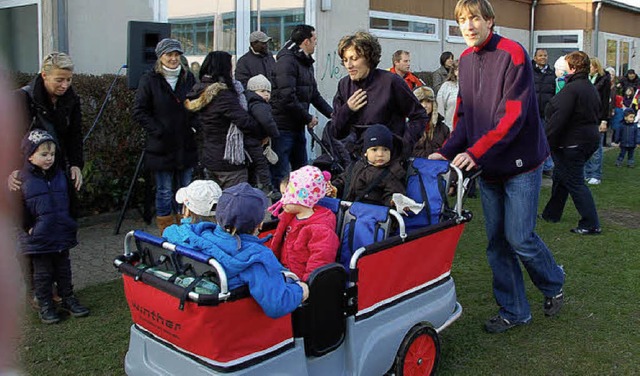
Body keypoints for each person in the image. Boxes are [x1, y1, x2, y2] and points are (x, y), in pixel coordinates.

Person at [429, 0, 565, 334]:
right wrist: (446, 152)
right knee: (497, 243)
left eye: (475, 18)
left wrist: (475, 153)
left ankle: (554, 281)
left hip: (521, 164)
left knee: (519, 237)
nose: (469, 25)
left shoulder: (513, 53)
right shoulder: (464, 59)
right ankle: (515, 310)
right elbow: (464, 116)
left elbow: (513, 116)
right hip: (488, 166)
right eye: (462, 20)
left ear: (490, 20)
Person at [163, 182, 309, 318]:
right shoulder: (256, 258)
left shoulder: (197, 235)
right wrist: (301, 290)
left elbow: (171, 232)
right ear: (259, 225)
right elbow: (277, 304)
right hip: (240, 319)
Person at [18, 130, 90, 324]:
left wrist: (71, 220)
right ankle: (46, 305)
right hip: (39, 238)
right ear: (30, 155)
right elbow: (19, 207)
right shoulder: (23, 180)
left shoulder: (61, 176)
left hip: (61, 233)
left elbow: (72, 201)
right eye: (44, 154)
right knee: (43, 274)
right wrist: (28, 227)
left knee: (64, 270)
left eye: (52, 154)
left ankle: (68, 298)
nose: (49, 158)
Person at [133, 38, 198, 233]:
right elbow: (139, 111)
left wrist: (194, 126)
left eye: (177, 54)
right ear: (160, 57)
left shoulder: (189, 78)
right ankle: (167, 230)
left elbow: (196, 106)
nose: (173, 58)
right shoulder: (149, 79)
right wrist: (158, 130)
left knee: (185, 190)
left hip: (185, 143)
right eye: (169, 54)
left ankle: (185, 228)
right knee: (164, 190)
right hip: (161, 146)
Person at [331, 31, 428, 159]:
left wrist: (402, 146)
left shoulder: (391, 82)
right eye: (345, 60)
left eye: (354, 59)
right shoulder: (344, 85)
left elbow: (419, 116)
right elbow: (336, 131)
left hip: (389, 162)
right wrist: (347, 109)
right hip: (357, 162)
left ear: (369, 58)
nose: (349, 65)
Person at [541, 51, 602, 235]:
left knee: (575, 182)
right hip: (587, 139)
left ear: (573, 68)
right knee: (561, 177)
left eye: (566, 65)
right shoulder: (588, 87)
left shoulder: (573, 88)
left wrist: (546, 140)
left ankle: (591, 223)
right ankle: (551, 213)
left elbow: (558, 115)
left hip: (573, 142)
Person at [270, 24, 333, 189]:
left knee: (302, 173)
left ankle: (301, 209)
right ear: (306, 41)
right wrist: (308, 118)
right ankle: (280, 212)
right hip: (283, 128)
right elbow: (287, 98)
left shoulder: (305, 63)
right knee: (282, 175)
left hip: (297, 126)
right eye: (314, 40)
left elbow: (314, 95)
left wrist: (333, 114)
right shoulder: (287, 62)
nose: (316, 43)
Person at [185, 51, 258, 189]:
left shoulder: (197, 90)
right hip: (228, 160)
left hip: (208, 156)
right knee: (235, 203)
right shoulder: (223, 95)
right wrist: (262, 132)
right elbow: (245, 122)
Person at [269, 165, 340, 281]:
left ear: (300, 198)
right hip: (285, 270)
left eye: (285, 195)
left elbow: (320, 259)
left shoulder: (320, 228)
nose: (281, 201)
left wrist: (308, 283)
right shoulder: (290, 216)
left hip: (300, 279)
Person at [332, 124, 406, 206]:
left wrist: (392, 201)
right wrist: (335, 188)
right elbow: (343, 180)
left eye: (385, 150)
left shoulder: (392, 173)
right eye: (374, 150)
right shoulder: (356, 165)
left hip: (372, 214)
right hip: (348, 210)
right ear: (365, 152)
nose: (380, 154)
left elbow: (394, 193)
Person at [245, 74, 279, 195]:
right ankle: (267, 186)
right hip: (254, 140)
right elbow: (266, 121)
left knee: (253, 165)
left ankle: (253, 184)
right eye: (262, 91)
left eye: (268, 91)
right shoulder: (259, 104)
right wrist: (274, 133)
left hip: (252, 139)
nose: (266, 94)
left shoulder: (250, 102)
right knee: (261, 163)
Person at [584, 57, 612, 185]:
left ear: (596, 67)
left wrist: (604, 120)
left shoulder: (604, 80)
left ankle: (595, 174)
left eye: (590, 66)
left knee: (596, 148)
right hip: (584, 118)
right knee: (584, 147)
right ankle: (586, 173)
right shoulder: (584, 79)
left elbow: (606, 102)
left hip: (598, 118)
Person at [532, 48, 557, 177]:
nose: (543, 57)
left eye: (545, 55)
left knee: (546, 139)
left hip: (545, 113)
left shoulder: (552, 74)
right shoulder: (529, 72)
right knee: (532, 139)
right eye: (540, 55)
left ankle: (547, 166)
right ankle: (534, 165)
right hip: (531, 112)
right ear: (535, 58)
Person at [412, 86, 450, 157]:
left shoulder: (444, 129)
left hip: (438, 166)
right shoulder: (407, 128)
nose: (424, 105)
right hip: (414, 166)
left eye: (428, 101)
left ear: (433, 104)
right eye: (420, 102)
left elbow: (449, 150)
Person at [436, 60, 459, 130]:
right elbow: (440, 108)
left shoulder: (474, 86)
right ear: (454, 71)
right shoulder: (446, 86)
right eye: (459, 69)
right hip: (450, 129)